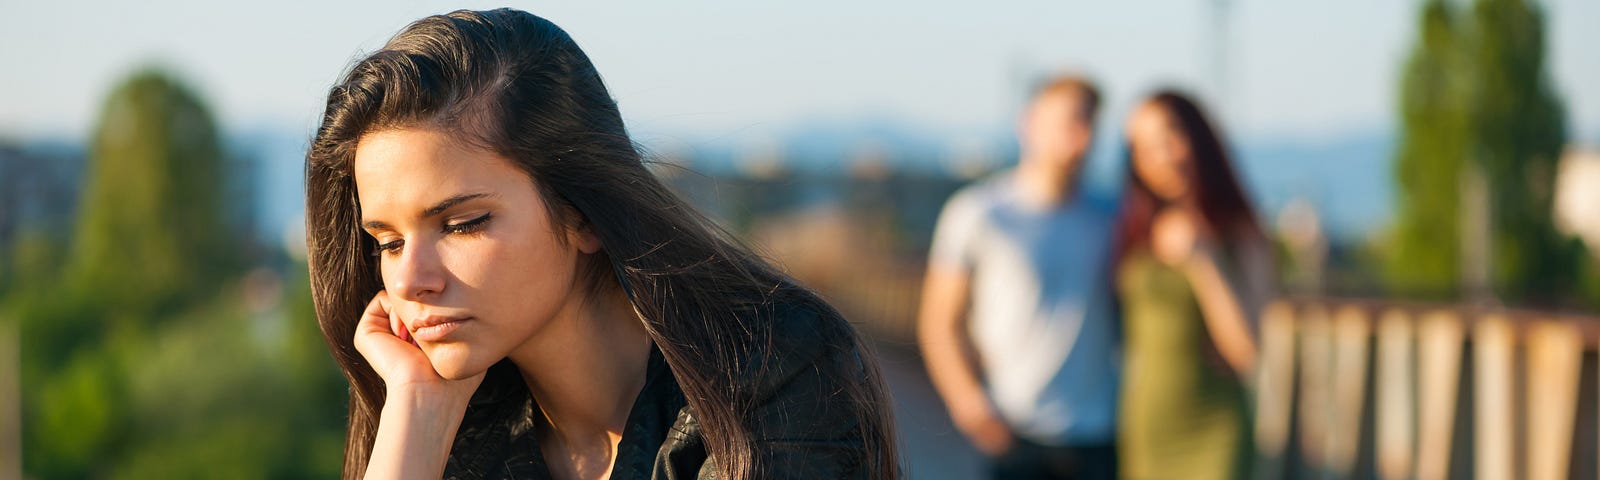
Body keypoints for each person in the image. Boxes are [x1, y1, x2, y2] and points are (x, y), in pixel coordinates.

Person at [302, 9, 899, 479]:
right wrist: (416, 417)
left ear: (584, 211)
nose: (410, 280)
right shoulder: (451, 429)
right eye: (388, 241)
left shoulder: (773, 373)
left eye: (462, 224)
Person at [918, 75, 1120, 479]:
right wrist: (969, 405)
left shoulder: (1112, 216)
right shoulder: (979, 213)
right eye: (1070, 122)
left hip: (1100, 432)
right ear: (1028, 123)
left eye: (1090, 125)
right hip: (1015, 432)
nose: (1081, 139)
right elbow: (938, 322)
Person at [1113, 90, 1275, 480]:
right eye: (1145, 147)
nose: (1162, 155)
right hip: (1146, 429)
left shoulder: (1242, 236)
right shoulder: (1132, 233)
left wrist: (1204, 260)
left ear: (1199, 138)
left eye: (1170, 137)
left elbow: (1246, 352)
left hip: (1214, 431)